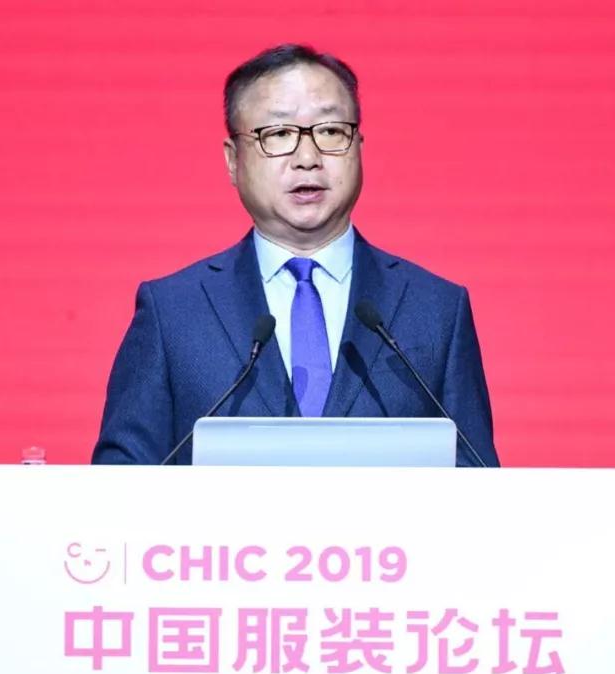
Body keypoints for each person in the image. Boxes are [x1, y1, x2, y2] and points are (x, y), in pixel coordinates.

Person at [92, 44, 499, 466]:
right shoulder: (173, 312)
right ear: (233, 160)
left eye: (331, 131)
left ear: (359, 147)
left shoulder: (436, 309)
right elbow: (120, 480)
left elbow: (480, 481)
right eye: (279, 134)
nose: (308, 158)